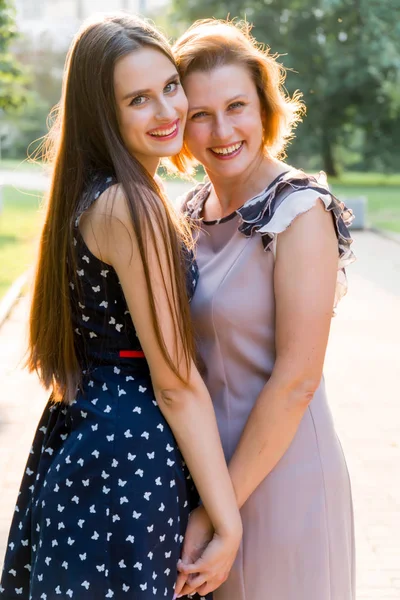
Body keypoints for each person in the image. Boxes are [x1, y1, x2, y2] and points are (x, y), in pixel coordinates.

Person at [0, 14, 242, 600]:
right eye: (139, 99)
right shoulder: (132, 204)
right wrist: (226, 519)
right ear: (103, 113)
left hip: (88, 442)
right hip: (128, 463)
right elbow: (176, 382)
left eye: (170, 86)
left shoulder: (95, 192)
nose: (168, 112)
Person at [171, 19, 356, 600]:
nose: (222, 130)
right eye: (200, 114)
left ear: (265, 109)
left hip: (281, 481)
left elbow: (298, 379)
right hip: (204, 478)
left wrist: (213, 513)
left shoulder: (301, 211)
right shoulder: (190, 211)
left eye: (237, 107)